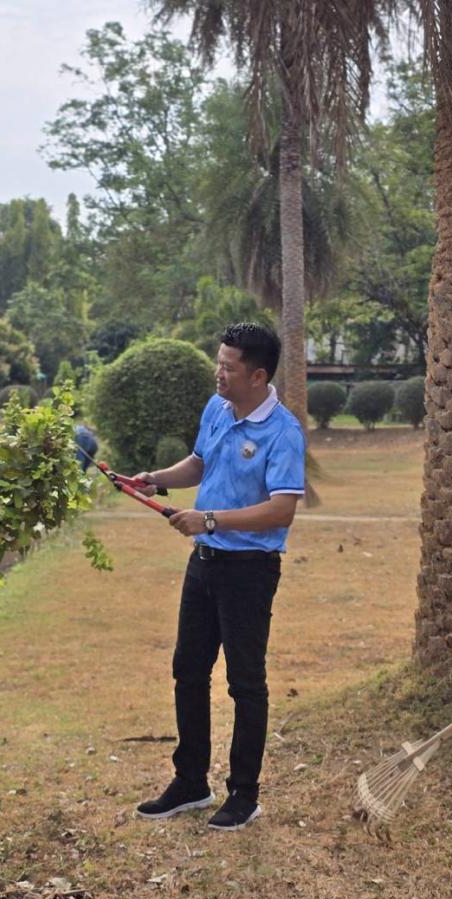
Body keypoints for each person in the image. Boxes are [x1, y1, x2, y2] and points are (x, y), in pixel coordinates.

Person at [132, 323, 305, 831]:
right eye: (219, 361)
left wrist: (208, 520)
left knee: (245, 682)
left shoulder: (283, 432)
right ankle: (191, 783)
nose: (218, 372)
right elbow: (201, 463)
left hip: (249, 570)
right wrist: (156, 479)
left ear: (257, 374)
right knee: (188, 669)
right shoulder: (218, 408)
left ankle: (244, 795)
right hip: (204, 563)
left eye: (228, 366)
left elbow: (281, 510)